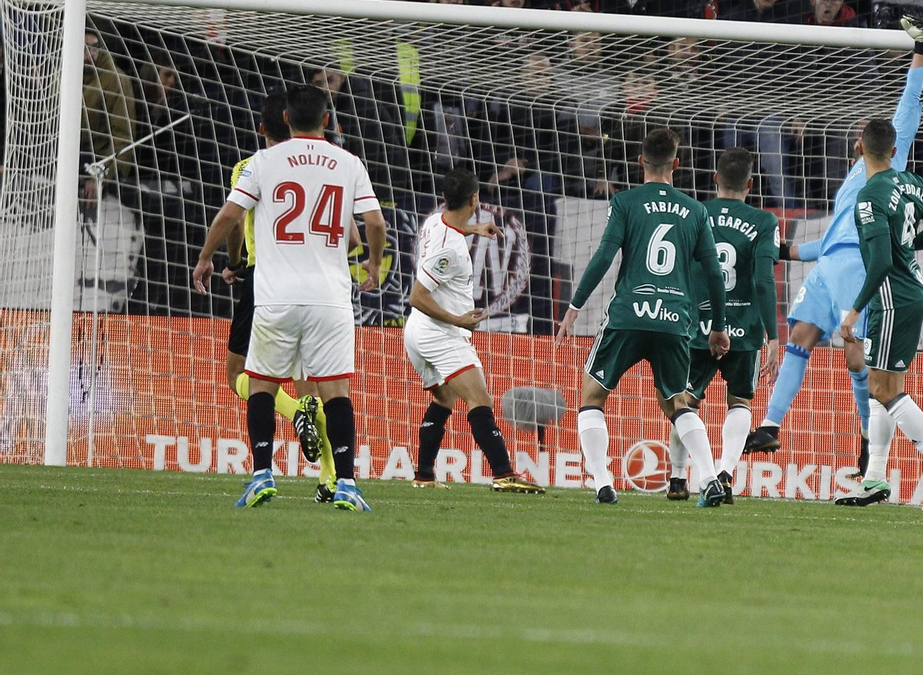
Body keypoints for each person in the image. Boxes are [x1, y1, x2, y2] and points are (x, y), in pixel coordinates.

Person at [191, 85, 388, 512]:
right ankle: (347, 485)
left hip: (275, 293)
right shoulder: (349, 162)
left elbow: (230, 216)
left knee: (259, 383)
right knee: (336, 392)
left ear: (283, 120)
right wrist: (373, 264)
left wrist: (207, 257)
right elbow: (373, 221)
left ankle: (262, 475)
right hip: (330, 299)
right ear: (326, 120)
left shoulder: (263, 161)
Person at [744, 17, 923, 462]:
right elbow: (832, 240)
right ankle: (769, 424)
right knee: (800, 334)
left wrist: (921, 50)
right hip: (829, 265)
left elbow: (909, 104)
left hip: (857, 268)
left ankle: (867, 438)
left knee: (855, 358)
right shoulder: (851, 180)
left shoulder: (891, 166)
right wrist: (789, 252)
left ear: (864, 145)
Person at [553, 128, 731, 507]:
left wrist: (574, 308)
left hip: (628, 315)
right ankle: (712, 477)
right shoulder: (696, 210)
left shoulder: (625, 202)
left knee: (593, 394)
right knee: (677, 402)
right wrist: (718, 325)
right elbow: (714, 274)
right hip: (674, 319)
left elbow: (604, 256)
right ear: (676, 165)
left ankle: (603, 482)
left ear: (640, 163)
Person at [834, 114, 923, 510]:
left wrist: (854, 311)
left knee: (885, 390)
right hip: (913, 292)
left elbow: (881, 261)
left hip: (891, 298)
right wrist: (906, 248)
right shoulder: (914, 182)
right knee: (879, 386)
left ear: (859, 148)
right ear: (893, 151)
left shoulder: (869, 196)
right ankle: (874, 479)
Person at [219, 93, 334, 503]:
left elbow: (233, 222)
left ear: (264, 127)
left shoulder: (251, 167)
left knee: (242, 375)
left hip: (264, 279)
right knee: (312, 384)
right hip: (316, 283)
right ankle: (330, 478)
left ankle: (281, 435)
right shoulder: (327, 167)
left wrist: (231, 262)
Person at [405, 168, 543, 494]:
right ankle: (503, 472)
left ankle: (424, 475)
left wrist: (474, 228)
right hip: (440, 332)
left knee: (445, 398)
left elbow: (451, 233)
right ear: (474, 199)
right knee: (479, 399)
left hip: (417, 331)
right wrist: (458, 320)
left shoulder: (435, 222)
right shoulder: (449, 249)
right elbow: (417, 295)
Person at [663, 148, 780, 501]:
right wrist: (773, 335)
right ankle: (725, 474)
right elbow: (764, 281)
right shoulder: (764, 221)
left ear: (715, 179)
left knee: (684, 401)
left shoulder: (693, 212)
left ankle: (677, 479)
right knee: (740, 401)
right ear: (751, 184)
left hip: (696, 325)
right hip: (743, 327)